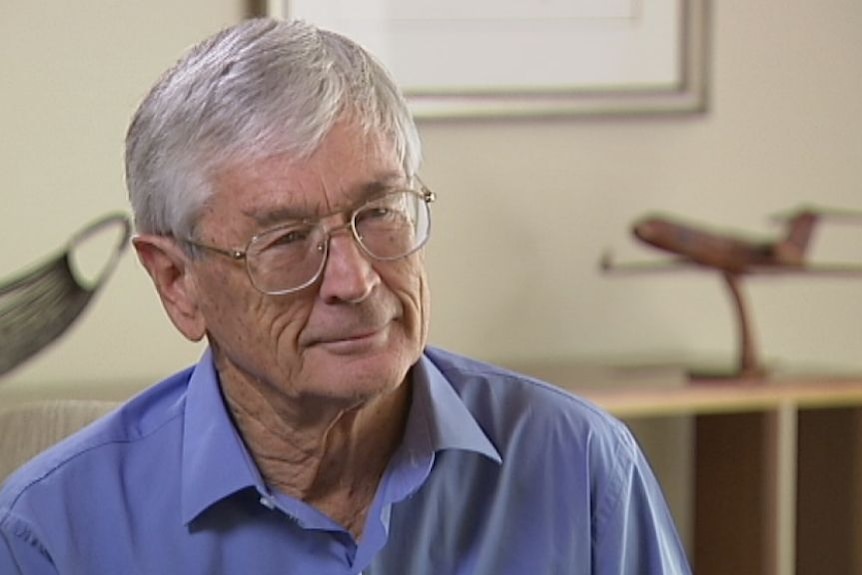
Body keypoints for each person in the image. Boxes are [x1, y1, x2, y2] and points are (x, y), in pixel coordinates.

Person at [0, 18, 691, 574]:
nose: (356, 281)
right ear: (178, 283)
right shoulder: (51, 533)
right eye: (288, 239)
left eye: (382, 212)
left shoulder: (581, 465)